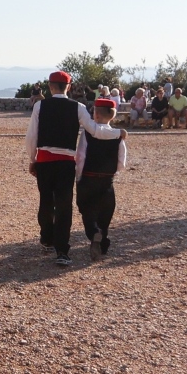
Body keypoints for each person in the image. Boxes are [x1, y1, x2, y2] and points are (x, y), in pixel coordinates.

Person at [24, 70, 101, 266]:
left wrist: (32, 159)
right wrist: (114, 132)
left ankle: (47, 238)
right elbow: (93, 130)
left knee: (46, 201)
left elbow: (31, 136)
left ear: (50, 86)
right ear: (69, 87)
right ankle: (62, 250)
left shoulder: (40, 106)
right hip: (66, 162)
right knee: (64, 204)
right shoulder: (78, 107)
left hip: (45, 160)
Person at [75, 98, 129, 260]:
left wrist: (79, 177)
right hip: (107, 181)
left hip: (88, 178)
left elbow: (81, 156)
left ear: (96, 114)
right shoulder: (118, 136)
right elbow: (122, 161)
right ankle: (103, 243)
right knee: (105, 213)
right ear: (111, 116)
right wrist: (112, 172)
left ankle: (94, 233)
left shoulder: (87, 134)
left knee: (87, 210)